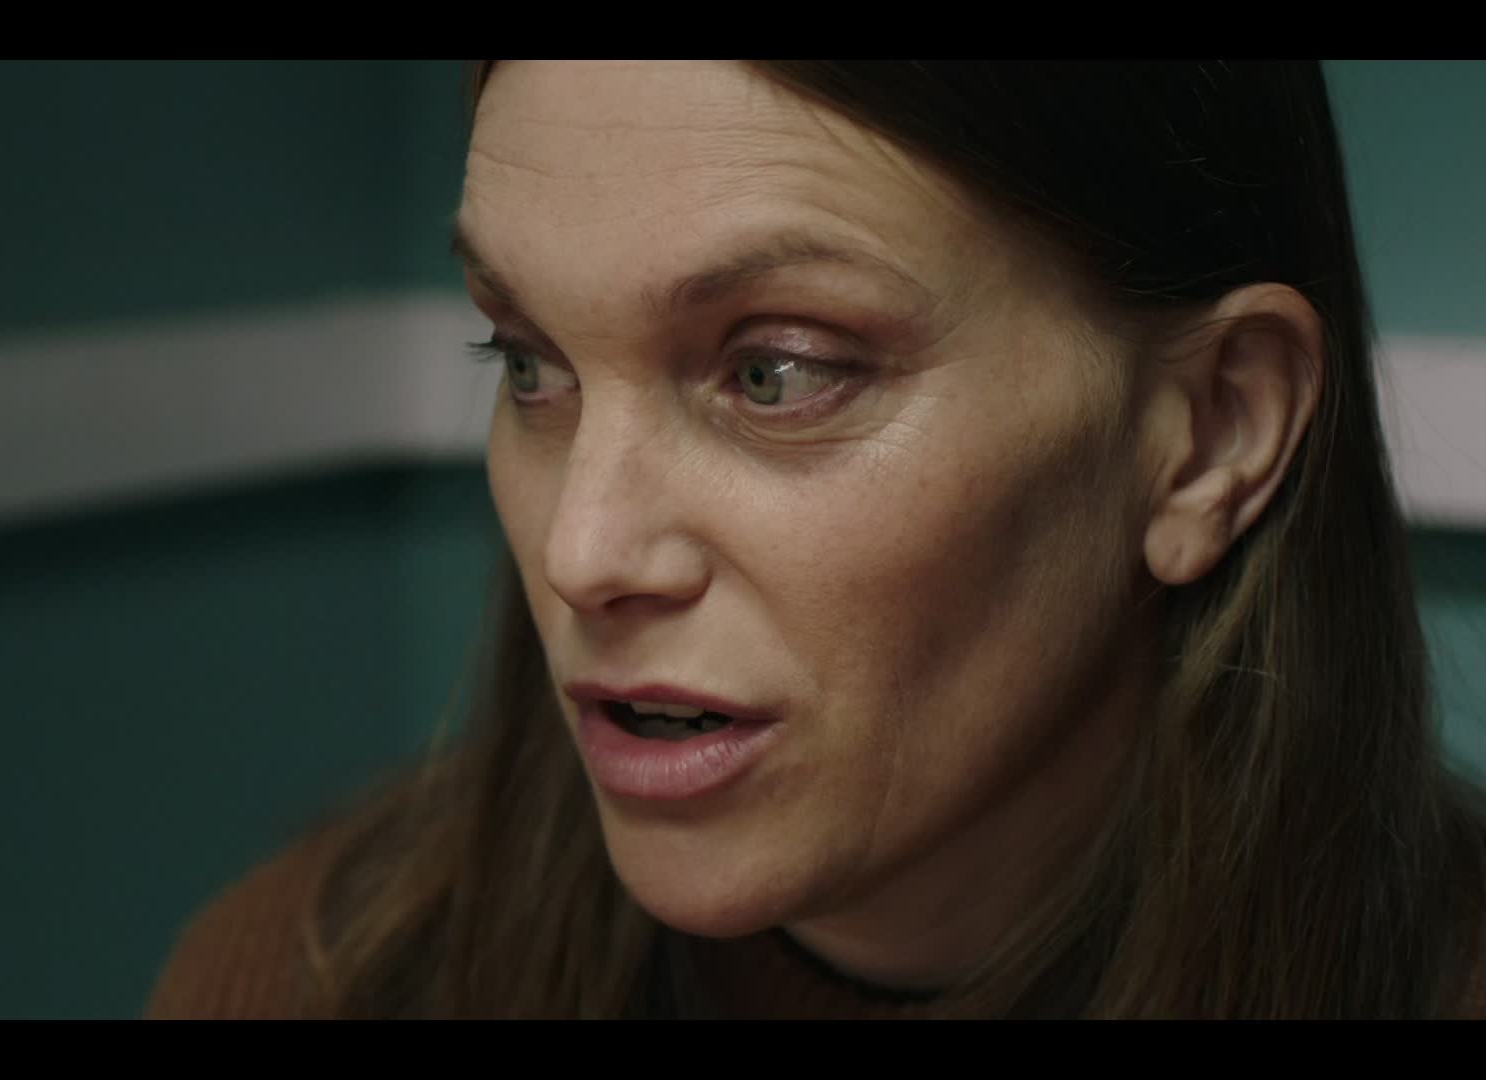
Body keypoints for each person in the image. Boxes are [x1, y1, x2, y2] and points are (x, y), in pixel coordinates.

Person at [144, 60, 1486, 1020]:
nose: (583, 552)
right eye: (530, 362)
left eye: (776, 373)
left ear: (1212, 432)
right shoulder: (315, 978)